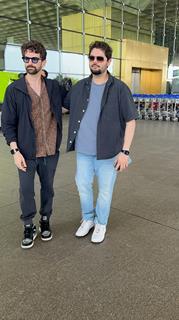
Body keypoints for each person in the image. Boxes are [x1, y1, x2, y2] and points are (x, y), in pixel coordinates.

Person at [64, 41, 136, 243]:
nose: (95, 62)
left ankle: (101, 223)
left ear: (108, 62)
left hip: (109, 152)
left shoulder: (120, 89)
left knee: (105, 191)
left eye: (100, 58)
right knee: (83, 186)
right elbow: (63, 106)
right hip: (84, 151)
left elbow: (130, 121)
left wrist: (125, 152)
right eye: (92, 58)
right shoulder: (80, 87)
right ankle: (88, 219)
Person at [2, 40, 66, 249]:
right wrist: (15, 151)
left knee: (48, 189)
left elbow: (70, 102)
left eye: (34, 59)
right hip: (26, 152)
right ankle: (28, 224)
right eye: (26, 58)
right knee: (26, 190)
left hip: (50, 152)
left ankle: (45, 219)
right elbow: (7, 123)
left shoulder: (53, 87)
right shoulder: (14, 90)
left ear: (43, 62)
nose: (29, 62)